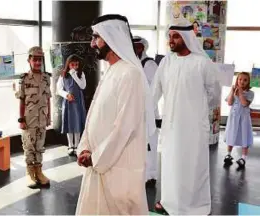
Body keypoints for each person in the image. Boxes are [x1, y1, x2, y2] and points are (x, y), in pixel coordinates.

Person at [75, 14, 156, 215]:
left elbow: (124, 127)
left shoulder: (131, 74)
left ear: (111, 38)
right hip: (99, 162)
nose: (93, 43)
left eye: (96, 37)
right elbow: (94, 113)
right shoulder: (112, 71)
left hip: (117, 166)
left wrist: (97, 157)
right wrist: (84, 147)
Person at [152, 19, 221, 215]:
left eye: (175, 37)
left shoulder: (202, 63)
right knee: (171, 165)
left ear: (187, 38)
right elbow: (155, 90)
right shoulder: (166, 61)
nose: (171, 41)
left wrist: (194, 109)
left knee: (192, 167)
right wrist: (147, 113)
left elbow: (214, 94)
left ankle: (194, 207)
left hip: (193, 127)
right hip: (171, 126)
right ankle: (169, 203)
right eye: (169, 36)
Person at [18, 46, 51, 188]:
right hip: (29, 119)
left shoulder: (46, 78)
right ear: (29, 60)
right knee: (29, 146)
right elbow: (21, 99)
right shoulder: (24, 79)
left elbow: (48, 98)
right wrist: (21, 119)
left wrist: (49, 116)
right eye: (35, 59)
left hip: (42, 118)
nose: (37, 62)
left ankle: (39, 172)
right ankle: (30, 173)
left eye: (40, 60)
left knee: (40, 145)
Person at [133, 35, 160, 188]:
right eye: (134, 46)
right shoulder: (132, 63)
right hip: (136, 111)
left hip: (149, 111)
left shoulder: (149, 64)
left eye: (138, 46)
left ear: (143, 48)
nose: (136, 49)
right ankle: (142, 174)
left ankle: (151, 175)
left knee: (150, 144)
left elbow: (155, 89)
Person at [56, 54, 87, 156]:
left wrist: (74, 75)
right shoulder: (63, 75)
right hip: (68, 102)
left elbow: (82, 86)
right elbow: (59, 89)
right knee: (69, 123)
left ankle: (77, 145)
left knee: (77, 123)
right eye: (72, 64)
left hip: (78, 102)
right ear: (68, 64)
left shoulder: (81, 74)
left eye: (76, 65)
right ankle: (70, 145)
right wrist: (66, 95)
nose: (74, 67)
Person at [224, 72, 254, 169]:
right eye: (240, 79)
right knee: (231, 134)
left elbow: (245, 103)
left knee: (244, 136)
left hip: (244, 119)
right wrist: (232, 92)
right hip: (233, 118)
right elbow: (229, 102)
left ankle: (243, 158)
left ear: (248, 82)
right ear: (237, 80)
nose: (242, 82)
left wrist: (240, 93)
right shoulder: (234, 90)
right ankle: (228, 154)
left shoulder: (250, 93)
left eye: (245, 80)